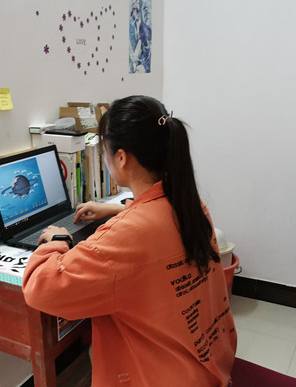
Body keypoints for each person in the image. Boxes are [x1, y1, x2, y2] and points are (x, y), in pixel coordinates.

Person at [22, 95, 237, 386]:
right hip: (209, 363)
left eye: (105, 151)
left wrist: (57, 239)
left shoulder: (126, 235)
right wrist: (120, 210)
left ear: (121, 158)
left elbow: (40, 289)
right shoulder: (190, 204)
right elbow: (156, 230)